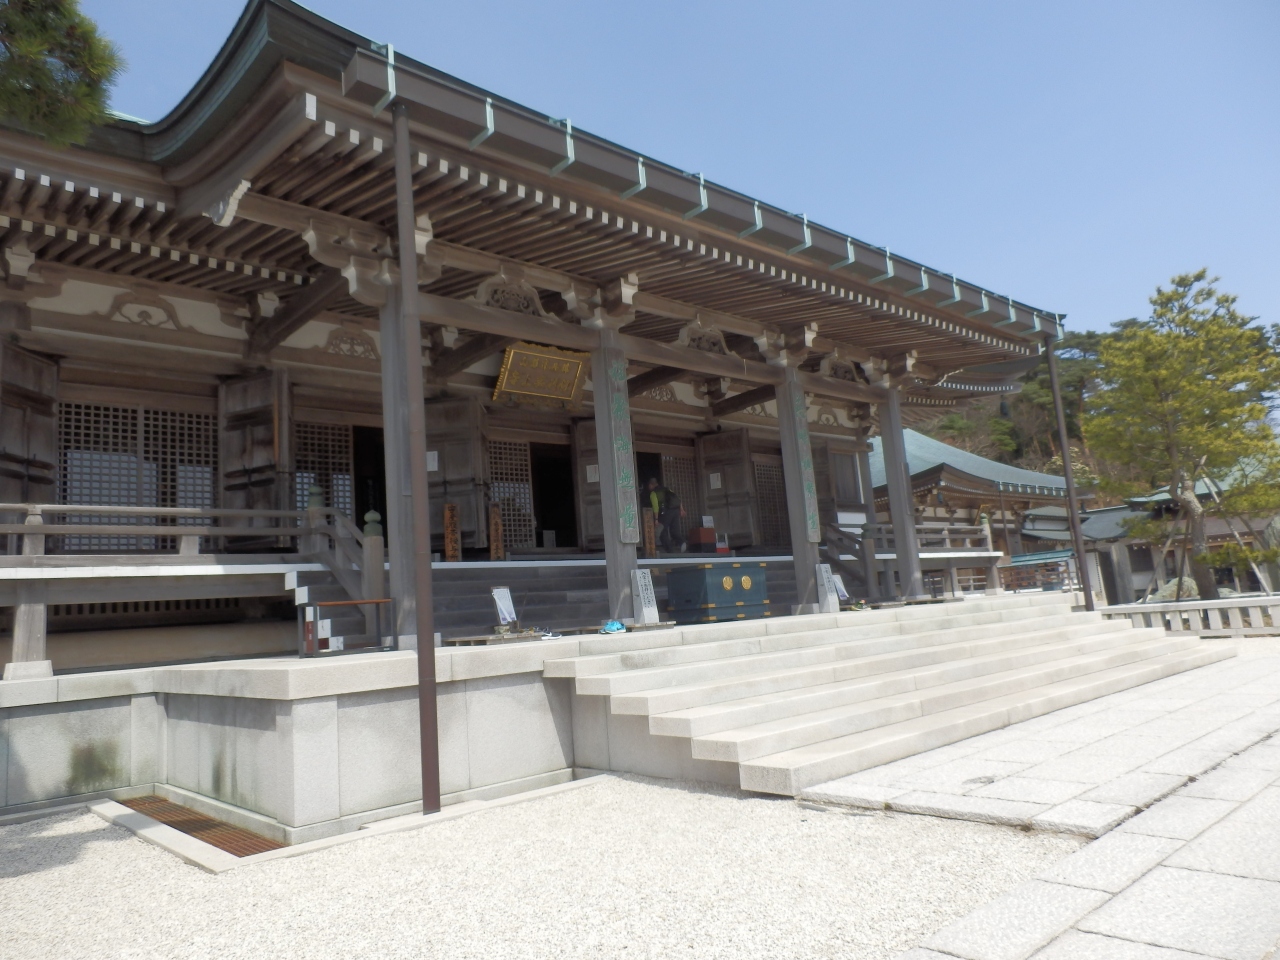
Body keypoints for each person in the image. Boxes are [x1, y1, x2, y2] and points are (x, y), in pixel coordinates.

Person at [646, 477, 686, 553]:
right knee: (674, 530)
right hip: (675, 511)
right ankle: (682, 542)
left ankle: (670, 551)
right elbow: (677, 499)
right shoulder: (667, 489)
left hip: (665, 513)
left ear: (651, 485)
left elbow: (655, 507)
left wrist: (656, 520)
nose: (648, 488)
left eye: (649, 486)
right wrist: (681, 510)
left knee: (662, 532)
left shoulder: (653, 493)